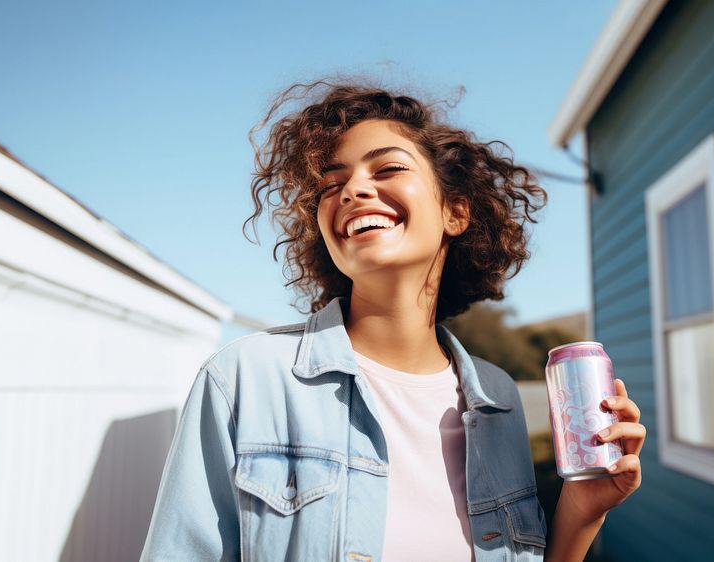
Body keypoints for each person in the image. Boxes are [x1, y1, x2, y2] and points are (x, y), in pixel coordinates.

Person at [140, 82, 644, 561]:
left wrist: (582, 509)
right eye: (332, 183)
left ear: (457, 212)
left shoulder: (498, 398)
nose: (353, 190)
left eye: (386, 170)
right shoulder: (243, 379)